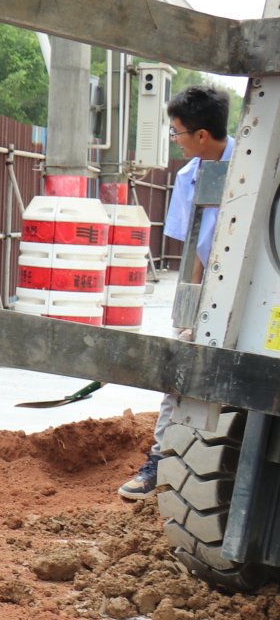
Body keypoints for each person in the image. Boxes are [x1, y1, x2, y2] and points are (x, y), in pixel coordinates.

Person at [120, 83, 235, 500]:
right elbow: (194, 250)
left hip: (257, 290)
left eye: (177, 133)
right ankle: (161, 463)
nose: (175, 141)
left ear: (201, 135)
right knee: (180, 373)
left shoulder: (256, 163)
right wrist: (192, 310)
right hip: (210, 288)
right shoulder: (189, 177)